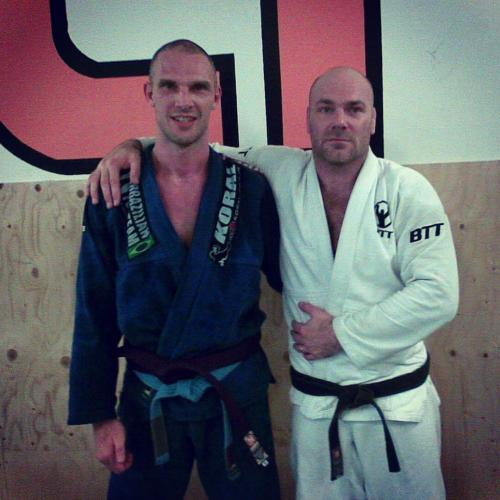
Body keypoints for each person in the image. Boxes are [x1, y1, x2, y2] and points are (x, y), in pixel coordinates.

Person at [89, 66, 459, 499]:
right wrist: (134, 145)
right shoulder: (281, 170)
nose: (340, 121)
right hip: (317, 409)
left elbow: (438, 295)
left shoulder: (407, 189)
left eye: (354, 109)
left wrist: (340, 334)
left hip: (396, 406)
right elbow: (200, 148)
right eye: (326, 109)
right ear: (308, 118)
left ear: (373, 119)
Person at [68, 39, 283, 500]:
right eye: (169, 86)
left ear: (216, 95)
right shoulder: (113, 193)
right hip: (148, 396)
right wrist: (100, 416)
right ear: (149, 93)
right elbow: (94, 312)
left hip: (235, 392)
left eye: (198, 87)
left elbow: (294, 278)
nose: (184, 100)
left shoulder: (252, 190)